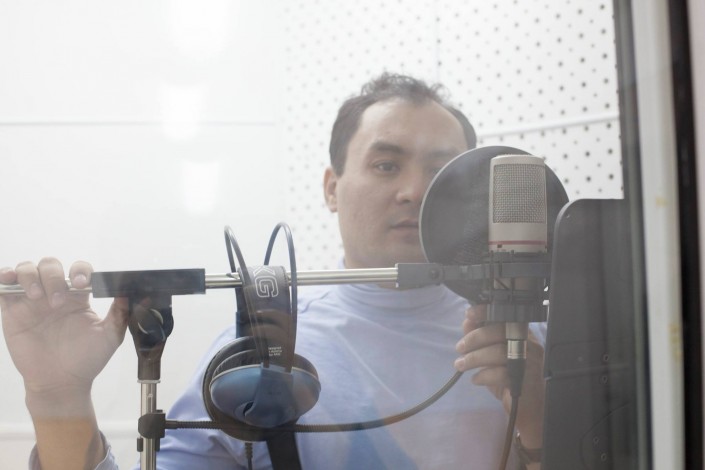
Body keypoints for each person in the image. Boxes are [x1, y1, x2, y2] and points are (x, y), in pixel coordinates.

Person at [0, 73, 545, 469]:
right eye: (386, 165)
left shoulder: (527, 341)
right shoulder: (259, 348)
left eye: (441, 171)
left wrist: (543, 416)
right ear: (332, 188)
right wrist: (58, 396)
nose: (414, 191)